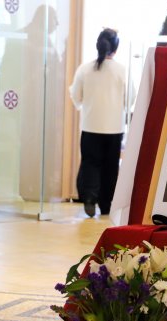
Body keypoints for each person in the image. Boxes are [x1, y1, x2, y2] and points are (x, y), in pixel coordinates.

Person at [69, 28, 127, 217]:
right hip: (114, 127)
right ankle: (106, 204)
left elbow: (76, 96)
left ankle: (89, 197)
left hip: (90, 125)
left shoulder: (85, 69)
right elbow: (130, 98)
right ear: (116, 48)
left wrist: (84, 105)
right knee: (111, 166)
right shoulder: (122, 71)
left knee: (90, 163)